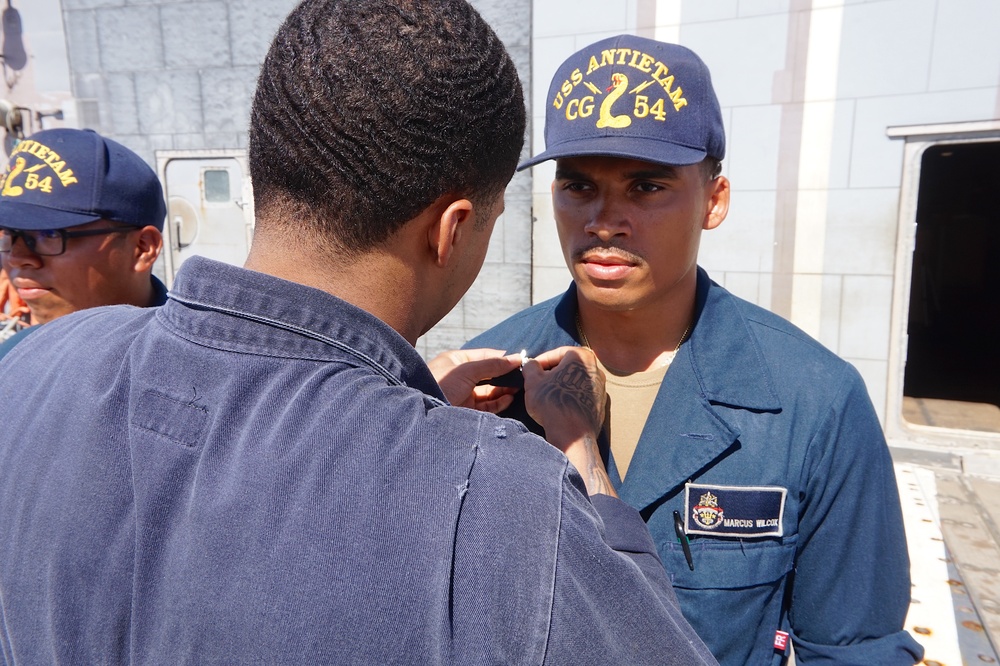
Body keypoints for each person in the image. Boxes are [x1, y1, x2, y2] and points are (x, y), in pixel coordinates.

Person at [0, 4, 716, 665]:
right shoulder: (504, 503)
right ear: (454, 228)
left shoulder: (37, 368)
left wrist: (405, 408)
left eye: (647, 186)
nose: (604, 219)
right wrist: (582, 454)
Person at [466, 35, 925, 665]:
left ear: (715, 201)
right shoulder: (484, 385)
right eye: (577, 186)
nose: (604, 220)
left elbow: (856, 652)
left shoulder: (811, 402)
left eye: (647, 187)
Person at [0, 127, 167, 360]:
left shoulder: (200, 368)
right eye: (8, 234)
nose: (17, 257)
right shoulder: (12, 360)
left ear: (142, 248)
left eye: (50, 234)